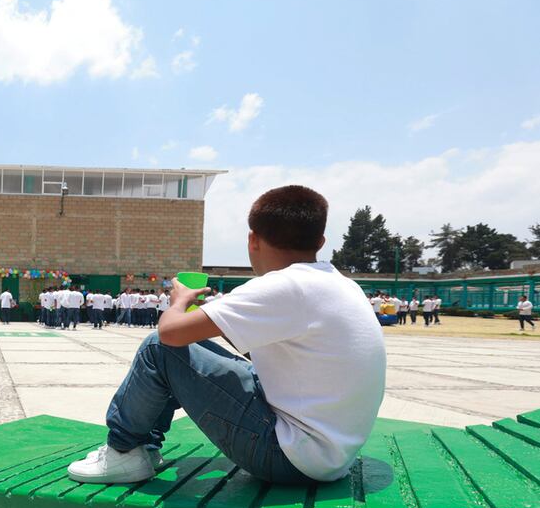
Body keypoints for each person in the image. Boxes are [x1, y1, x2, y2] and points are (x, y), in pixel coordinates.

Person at [67, 185, 386, 486]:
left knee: (159, 349)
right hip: (330, 456)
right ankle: (144, 448)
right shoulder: (342, 284)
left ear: (253, 240)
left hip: (287, 459)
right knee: (195, 350)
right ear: (320, 241)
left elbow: (170, 334)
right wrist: (218, 323)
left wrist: (178, 302)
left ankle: (123, 451)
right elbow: (277, 356)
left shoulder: (282, 284)